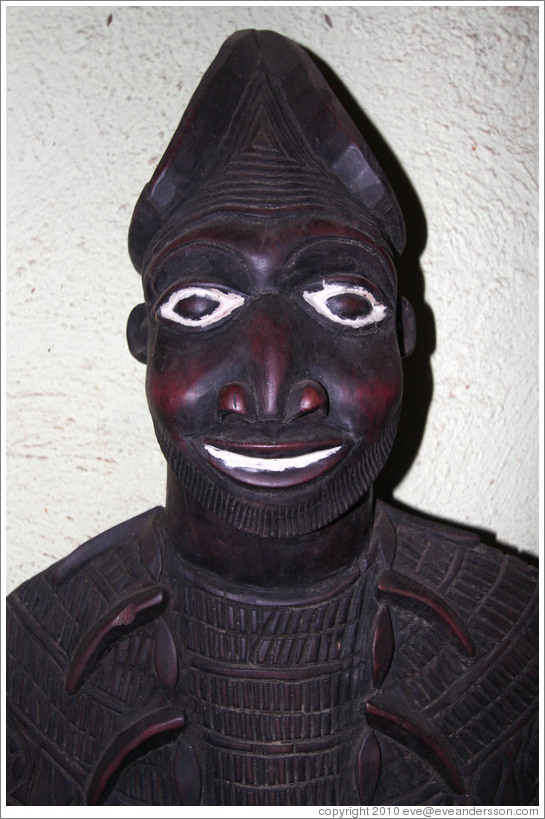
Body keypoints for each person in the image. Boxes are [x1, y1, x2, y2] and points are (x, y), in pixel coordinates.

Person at [6, 30, 538, 807]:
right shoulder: (32, 656)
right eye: (202, 304)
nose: (272, 387)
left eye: (343, 303)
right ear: (144, 341)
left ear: (404, 339)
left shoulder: (520, 640)